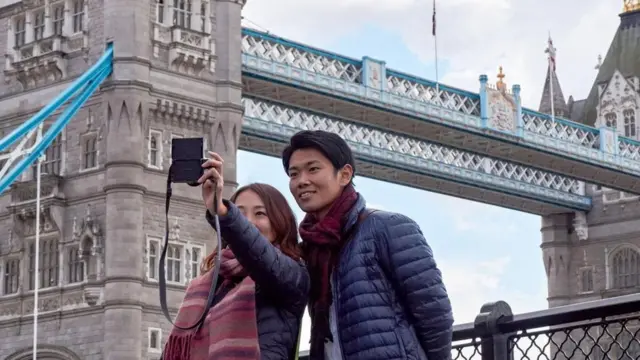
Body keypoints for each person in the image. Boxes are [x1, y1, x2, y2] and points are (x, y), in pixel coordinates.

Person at [282, 130, 454, 360]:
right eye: (294, 174)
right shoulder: (311, 249)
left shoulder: (388, 228)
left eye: (313, 169)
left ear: (344, 175)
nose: (302, 181)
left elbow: (434, 313)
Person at [162, 159, 310, 360]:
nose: (249, 221)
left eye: (260, 213)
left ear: (279, 223)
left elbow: (261, 256)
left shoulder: (292, 275)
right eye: (239, 213)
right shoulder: (210, 283)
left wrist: (223, 211)